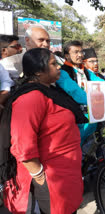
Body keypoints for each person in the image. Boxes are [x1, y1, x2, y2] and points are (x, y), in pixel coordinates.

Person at [0, 48, 87, 213]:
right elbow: (22, 145)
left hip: (65, 174)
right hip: (49, 179)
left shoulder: (49, 91)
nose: (59, 67)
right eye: (53, 64)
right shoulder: (30, 98)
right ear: (39, 71)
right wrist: (40, 177)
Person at [56, 40, 104, 145]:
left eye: (81, 52)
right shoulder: (63, 71)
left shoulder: (85, 71)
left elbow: (101, 83)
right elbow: (74, 91)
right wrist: (96, 101)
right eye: (76, 52)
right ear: (67, 56)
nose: (80, 55)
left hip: (89, 116)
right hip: (73, 119)